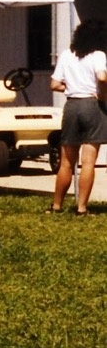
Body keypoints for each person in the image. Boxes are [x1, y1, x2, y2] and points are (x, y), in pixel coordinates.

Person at [50, 20, 107, 215]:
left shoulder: (67, 54)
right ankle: (82, 207)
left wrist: (72, 87)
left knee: (66, 161)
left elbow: (54, 84)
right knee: (88, 161)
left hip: (72, 105)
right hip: (92, 106)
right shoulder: (98, 55)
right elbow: (102, 77)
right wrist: (102, 94)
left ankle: (56, 205)